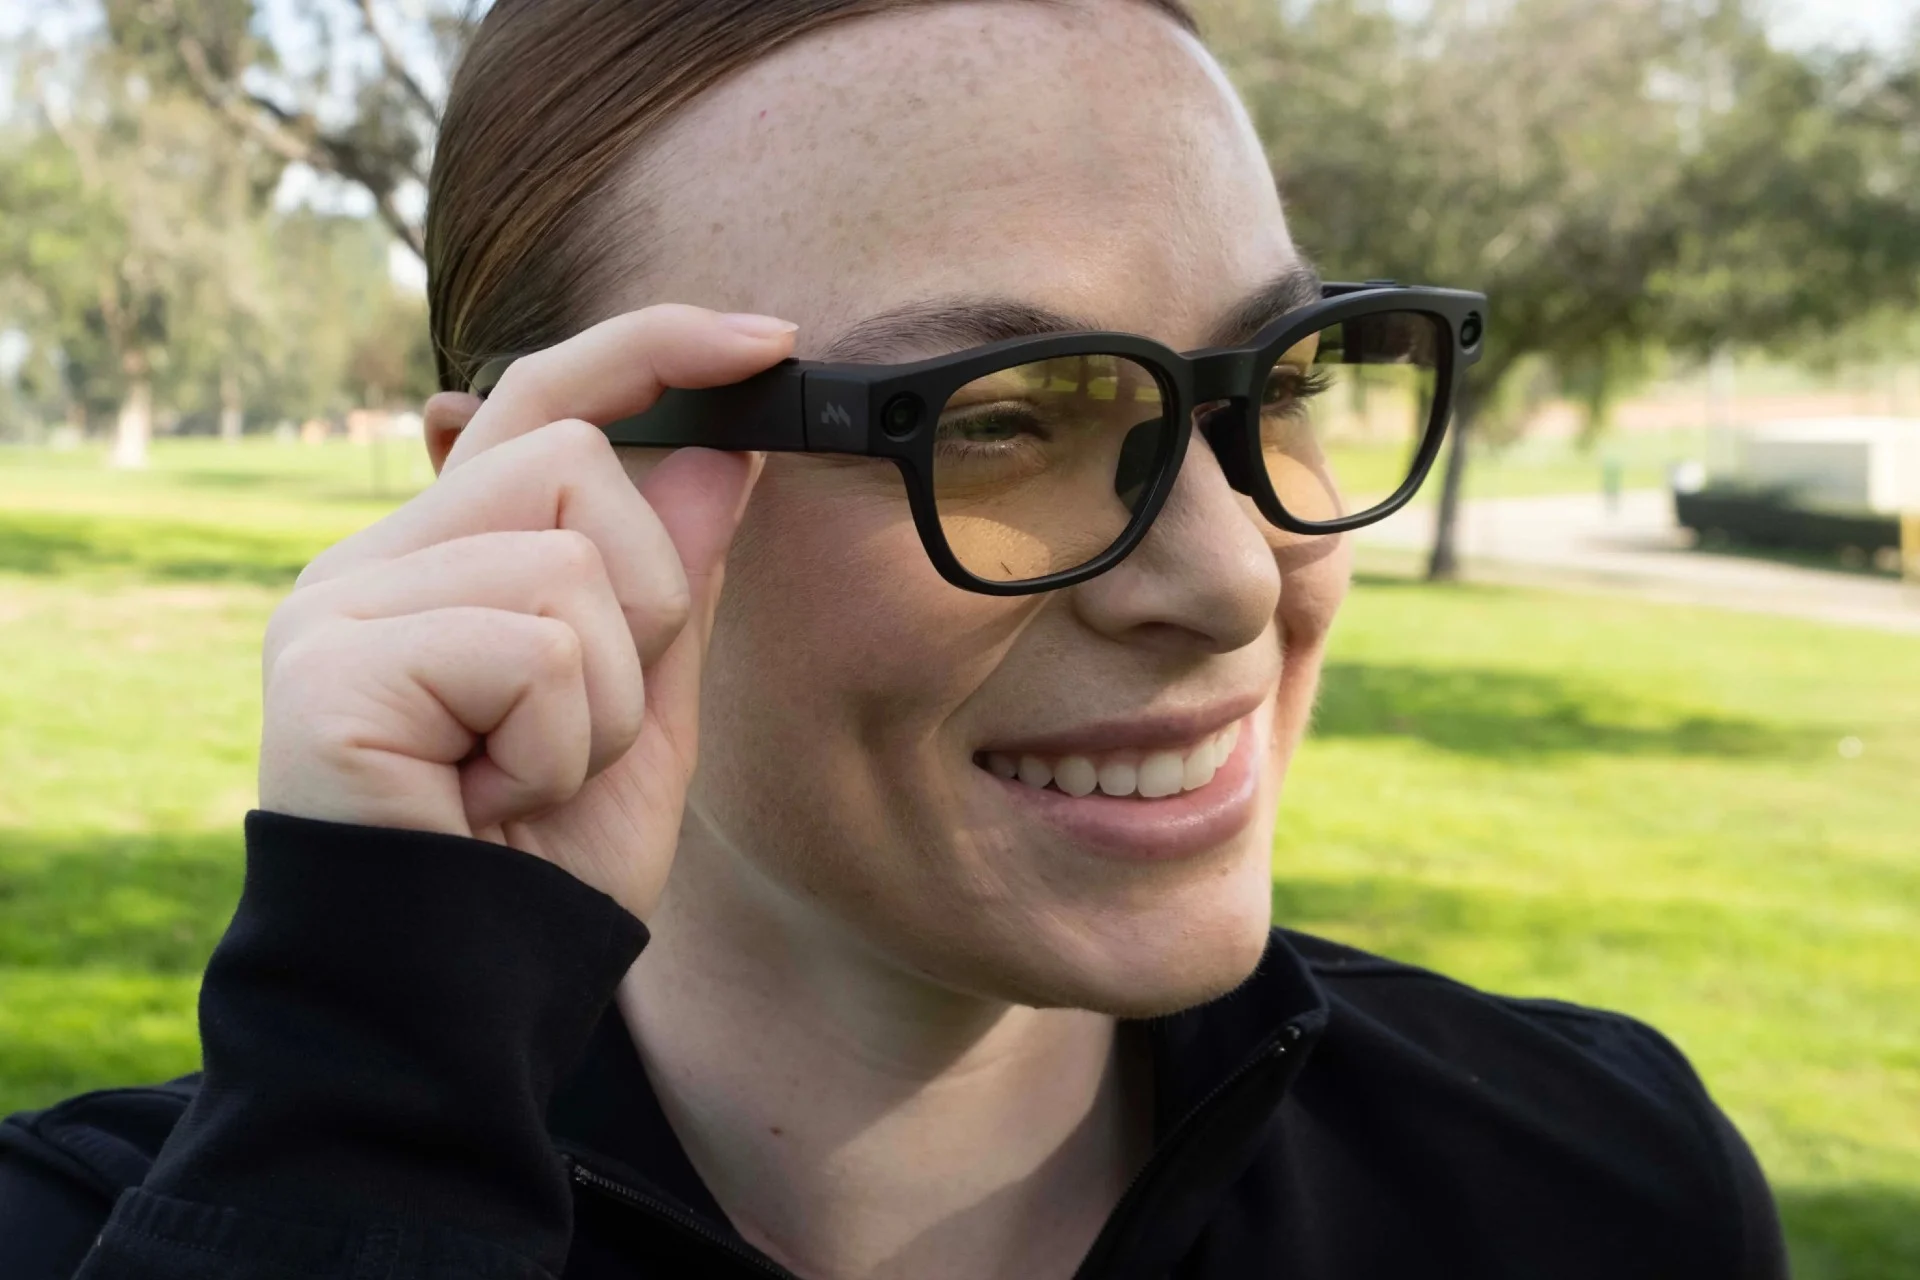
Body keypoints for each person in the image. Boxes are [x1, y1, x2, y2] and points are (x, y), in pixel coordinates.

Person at [0, 1, 1785, 1277]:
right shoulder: (125, 1235)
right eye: (997, 420)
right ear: (540, 505)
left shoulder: (1589, 1186)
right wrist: (373, 1132)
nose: (1235, 578)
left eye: (1285, 378)